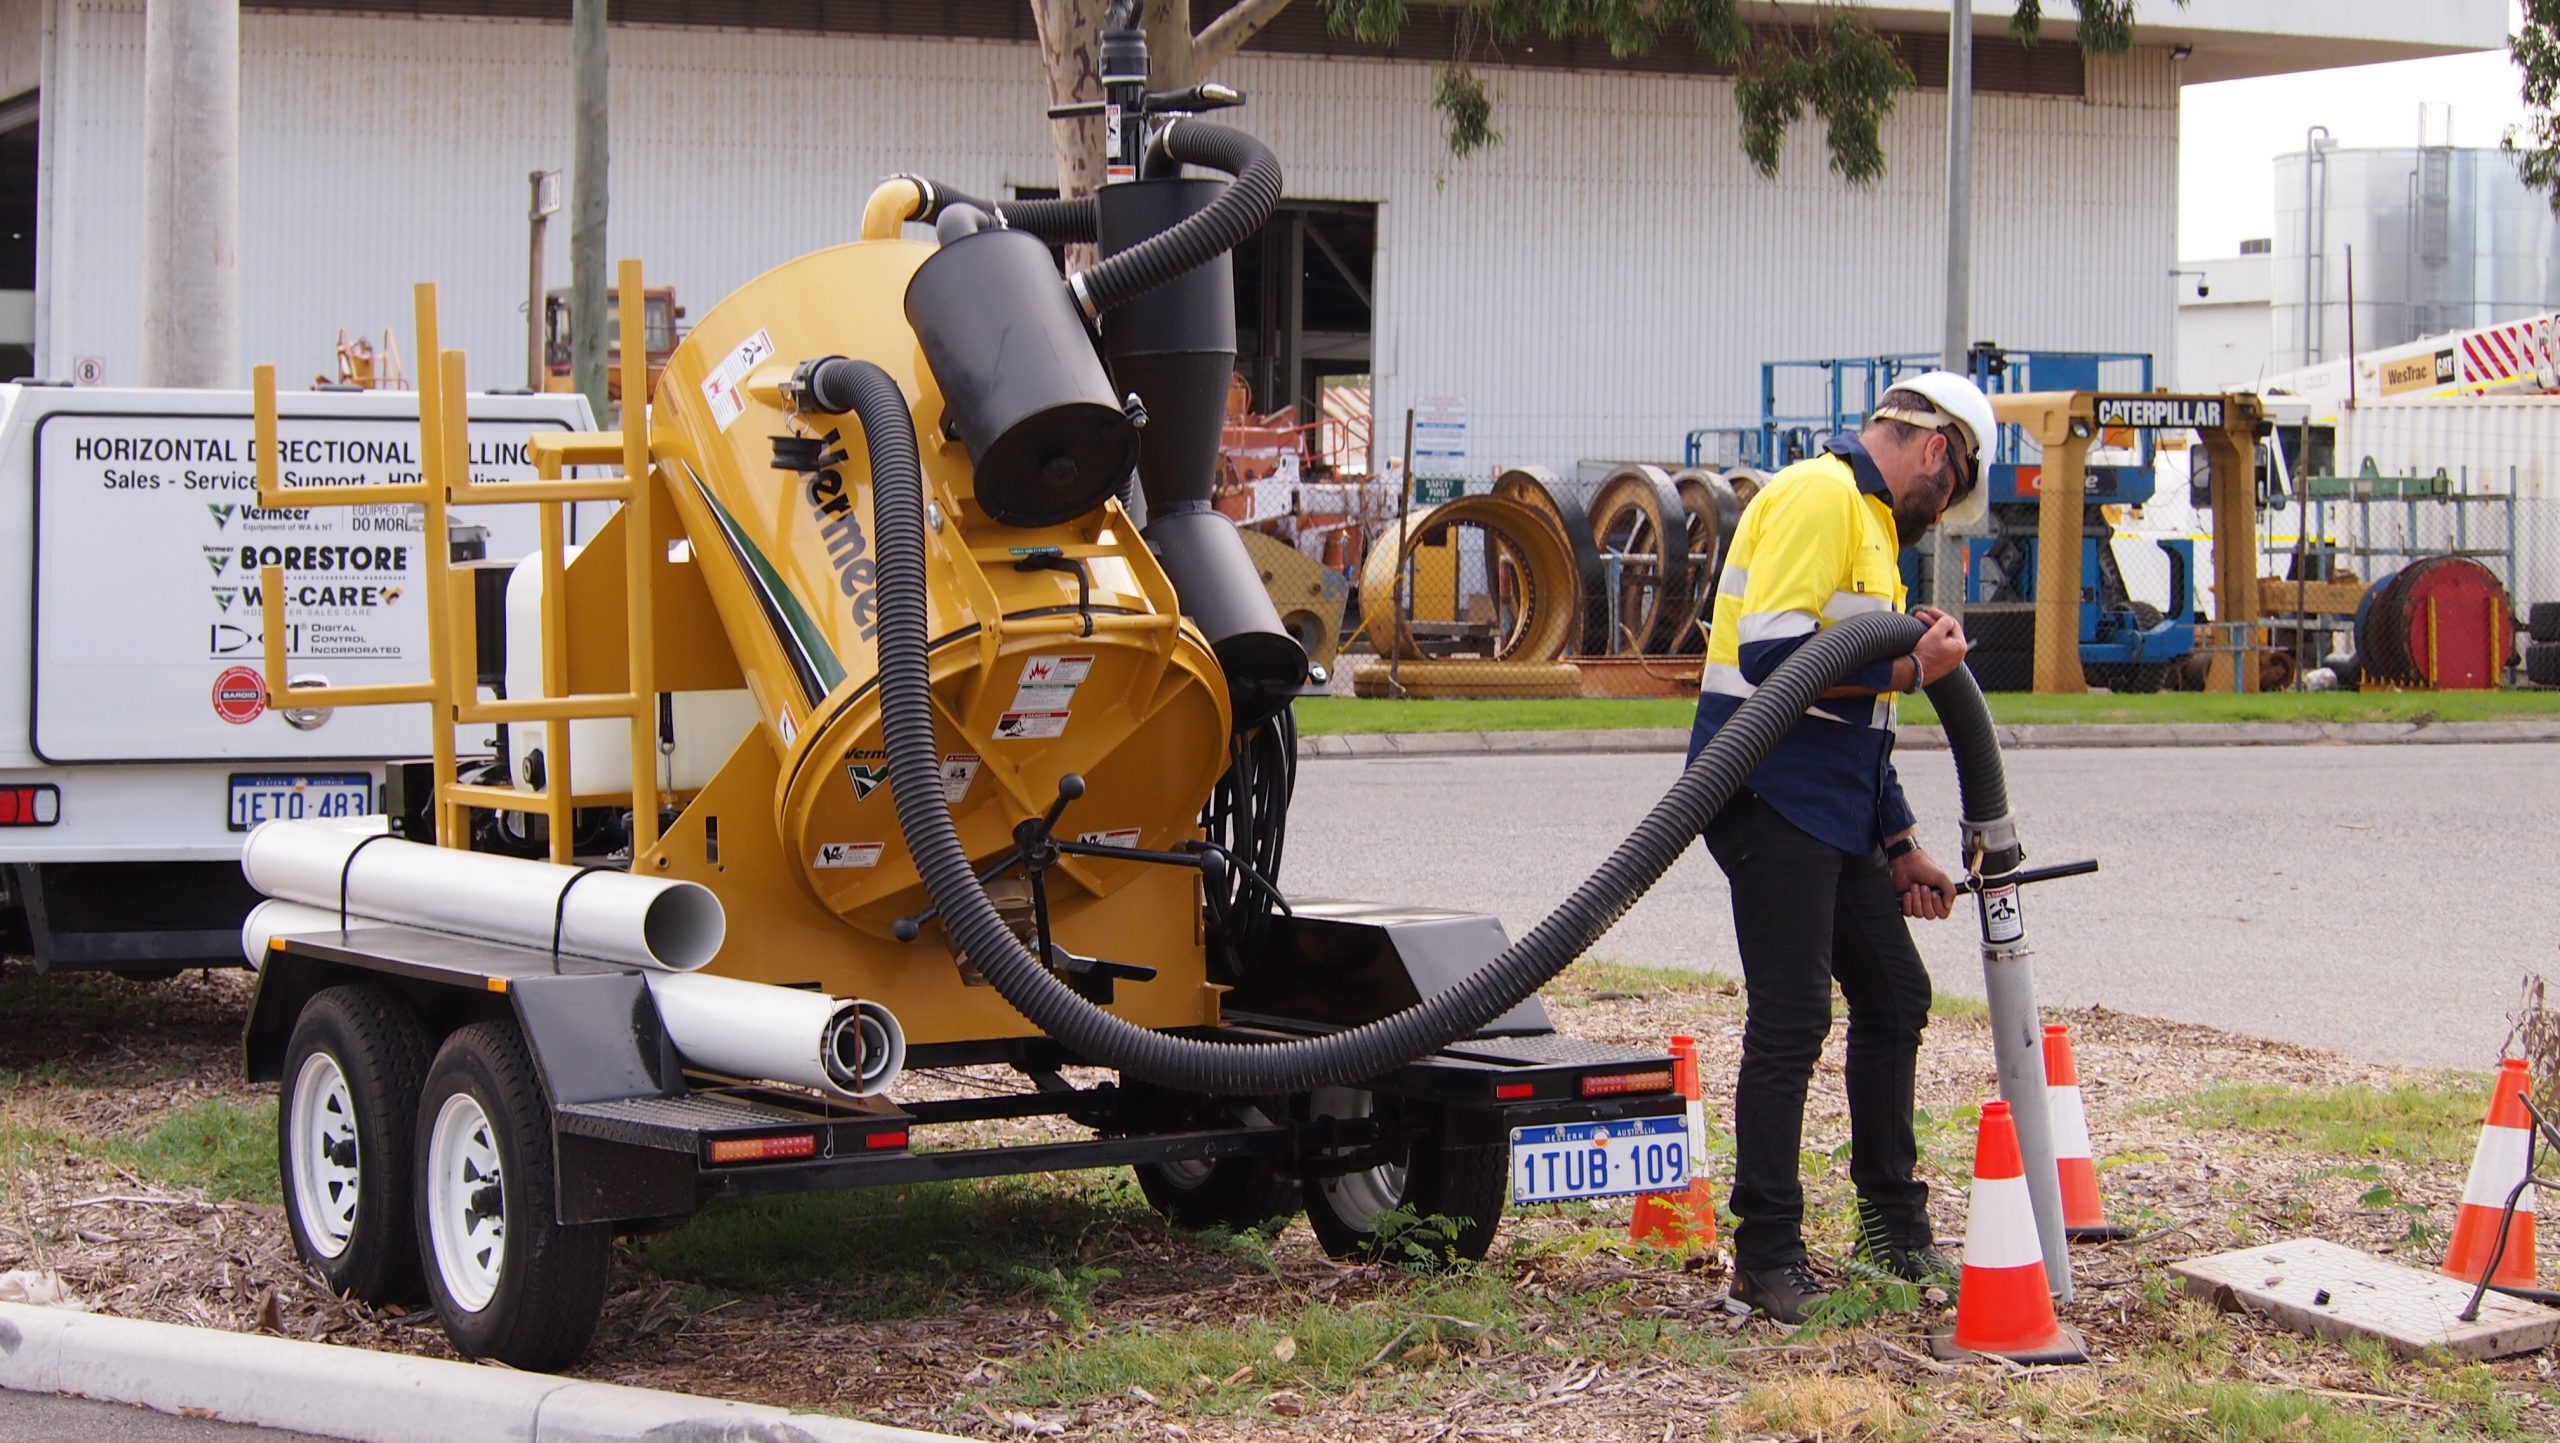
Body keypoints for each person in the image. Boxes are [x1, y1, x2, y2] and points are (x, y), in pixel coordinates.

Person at [1688, 370, 1994, 1324]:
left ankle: (1891, 1228)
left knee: (1897, 993)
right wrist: (1915, 661)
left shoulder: (1870, 529)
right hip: (1769, 791)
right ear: (1938, 454)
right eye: (1950, 495)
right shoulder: (1822, 495)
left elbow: (1866, 715)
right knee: (1791, 1021)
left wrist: (1899, 839)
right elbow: (1776, 657)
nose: (1939, 515)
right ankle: (1767, 1254)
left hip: (1829, 800)